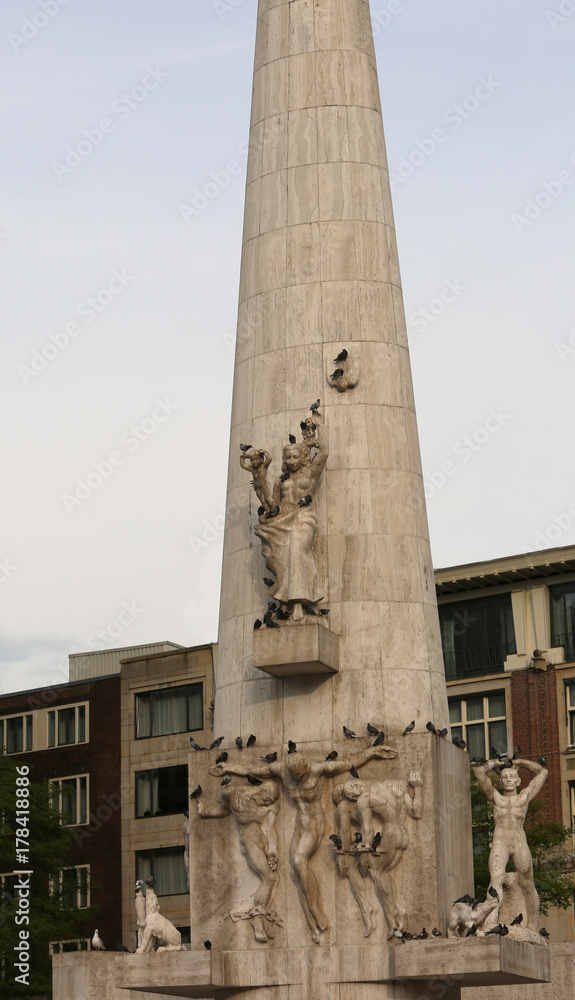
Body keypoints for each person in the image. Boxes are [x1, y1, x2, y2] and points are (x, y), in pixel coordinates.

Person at [211, 743, 397, 943]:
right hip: (300, 823)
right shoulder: (281, 770)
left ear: (307, 767)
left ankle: (317, 911)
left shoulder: (318, 768)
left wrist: (372, 751)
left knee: (300, 861)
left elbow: (348, 764)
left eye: (302, 775)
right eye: (296, 776)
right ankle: (312, 923)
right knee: (295, 871)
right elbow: (255, 771)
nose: (300, 779)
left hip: (316, 822)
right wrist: (229, 768)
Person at [254, 411, 328, 620]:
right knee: (283, 556)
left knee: (296, 550)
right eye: (287, 457)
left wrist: (320, 425)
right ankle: (287, 601)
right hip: (283, 519)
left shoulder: (309, 474)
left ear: (303, 457)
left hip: (304, 518)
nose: (291, 460)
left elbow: (324, 453)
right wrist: (261, 487)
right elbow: (273, 505)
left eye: (296, 456)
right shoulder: (280, 481)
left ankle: (298, 603)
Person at [333, 773, 423, 936]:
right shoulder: (390, 787)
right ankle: (395, 910)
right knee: (382, 873)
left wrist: (366, 851)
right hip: (402, 835)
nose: (351, 796)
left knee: (377, 872)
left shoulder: (363, 801)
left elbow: (367, 829)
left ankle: (392, 920)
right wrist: (418, 787)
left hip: (389, 834)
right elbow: (416, 812)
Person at [196, 781, 280, 943]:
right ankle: (257, 920)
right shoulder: (236, 794)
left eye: (270, 801)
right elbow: (224, 809)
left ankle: (262, 915)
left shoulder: (271, 807)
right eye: (267, 798)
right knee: (269, 878)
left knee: (274, 879)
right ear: (261, 790)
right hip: (249, 841)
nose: (268, 802)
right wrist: (205, 812)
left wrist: (273, 852)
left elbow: (271, 829)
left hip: (261, 841)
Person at [473, 758, 548, 931]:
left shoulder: (524, 796)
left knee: (527, 883)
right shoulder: (495, 797)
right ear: (500, 781)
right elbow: (479, 772)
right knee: (496, 877)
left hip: (519, 841)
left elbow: (543, 772)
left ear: (518, 781)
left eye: (511, 777)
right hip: (500, 841)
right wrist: (497, 762)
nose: (508, 779)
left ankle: (533, 924)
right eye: (505, 776)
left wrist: (519, 761)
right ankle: (491, 920)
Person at [239, 448, 274, 514]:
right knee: (263, 501)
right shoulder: (252, 469)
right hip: (257, 488)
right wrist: (242, 457)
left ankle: (274, 509)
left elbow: (269, 459)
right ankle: (268, 512)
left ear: (261, 459)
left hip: (264, 486)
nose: (254, 462)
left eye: (256, 459)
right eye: (252, 460)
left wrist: (264, 452)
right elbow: (243, 465)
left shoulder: (264, 466)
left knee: (268, 499)